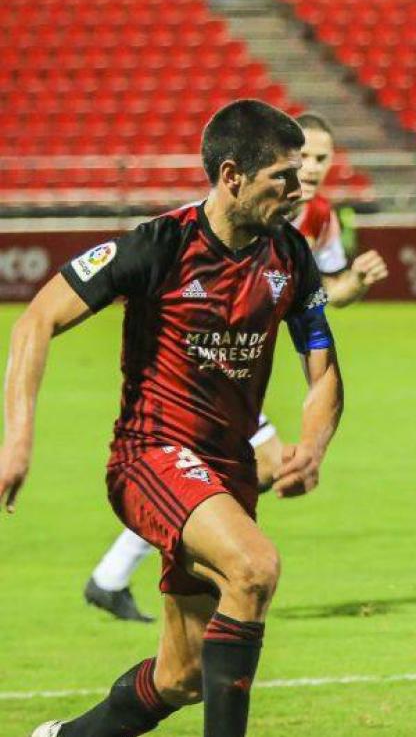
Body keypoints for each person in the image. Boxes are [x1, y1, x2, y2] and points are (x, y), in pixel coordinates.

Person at [2, 99, 345, 737]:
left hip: (227, 469)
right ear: (233, 175)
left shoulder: (290, 256)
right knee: (254, 567)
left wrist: (314, 445)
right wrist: (17, 440)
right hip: (151, 455)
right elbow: (35, 320)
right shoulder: (161, 244)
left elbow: (323, 369)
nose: (299, 191)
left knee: (182, 676)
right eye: (283, 177)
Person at [81, 111, 387, 623]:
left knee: (227, 474)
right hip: (199, 372)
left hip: (242, 371)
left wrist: (354, 283)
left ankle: (116, 576)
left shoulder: (319, 218)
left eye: (321, 159)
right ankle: (129, 574)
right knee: (253, 468)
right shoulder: (243, 204)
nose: (309, 169)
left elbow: (321, 296)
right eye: (302, 157)